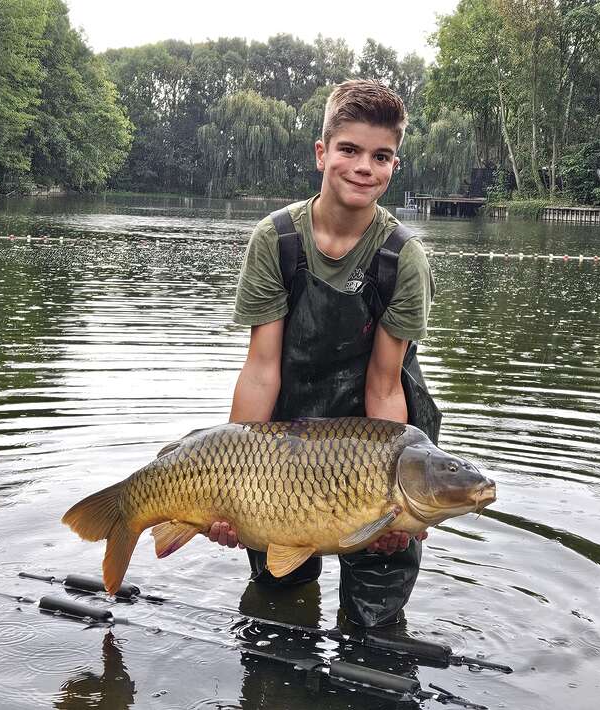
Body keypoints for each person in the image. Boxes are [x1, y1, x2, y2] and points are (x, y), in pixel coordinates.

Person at [210, 79, 441, 627]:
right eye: (350, 150)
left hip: (375, 439)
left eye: (380, 156)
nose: (364, 167)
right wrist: (229, 483)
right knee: (279, 596)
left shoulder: (402, 258)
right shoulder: (277, 241)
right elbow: (262, 369)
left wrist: (392, 505)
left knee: (375, 607)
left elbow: (384, 387)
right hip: (288, 438)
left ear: (394, 164)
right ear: (322, 153)